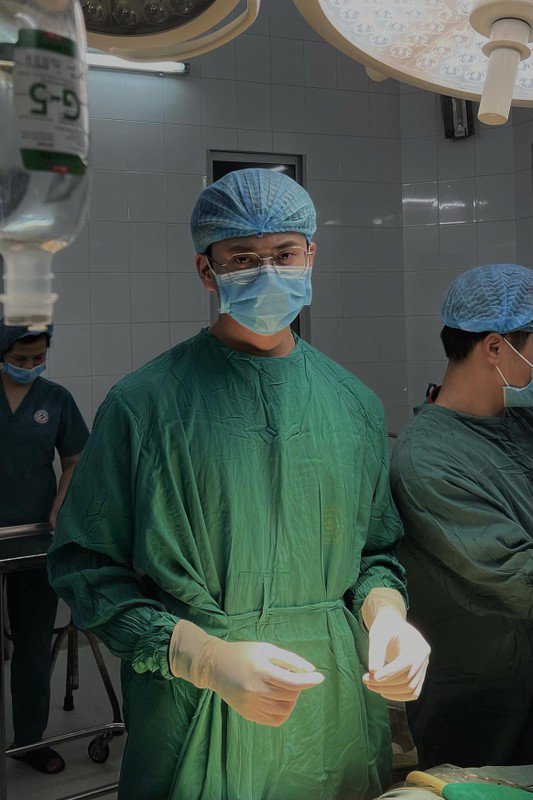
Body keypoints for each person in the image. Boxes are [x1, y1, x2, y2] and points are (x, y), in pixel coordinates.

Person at [48, 168, 429, 800]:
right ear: (207, 271)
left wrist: (386, 617)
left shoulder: (353, 404)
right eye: (243, 258)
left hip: (330, 706)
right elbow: (85, 569)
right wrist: (201, 657)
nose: (268, 271)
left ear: (311, 256)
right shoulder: (144, 405)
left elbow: (374, 553)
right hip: (193, 705)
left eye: (284, 254)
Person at [390, 263, 533, 770]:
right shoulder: (427, 461)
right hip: (486, 707)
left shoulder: (519, 421)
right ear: (495, 348)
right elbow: (519, 577)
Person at [0, 321, 89, 774]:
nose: (30, 366)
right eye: (20, 359)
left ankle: (29, 740)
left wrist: (61, 506)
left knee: (33, 644)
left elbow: (75, 459)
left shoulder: (55, 399)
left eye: (38, 358)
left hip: (34, 539)